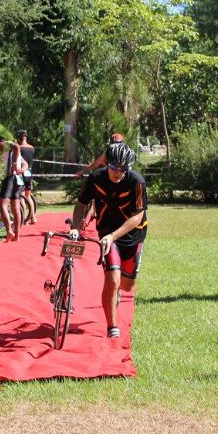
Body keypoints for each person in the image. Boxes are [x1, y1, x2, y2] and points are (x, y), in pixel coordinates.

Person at [70, 143, 148, 338]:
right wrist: (75, 227)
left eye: (123, 168)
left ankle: (118, 292)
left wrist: (115, 235)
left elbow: (137, 216)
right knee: (112, 279)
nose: (118, 172)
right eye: (114, 167)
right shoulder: (96, 179)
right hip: (106, 234)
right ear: (107, 165)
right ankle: (112, 326)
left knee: (127, 285)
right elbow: (81, 204)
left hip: (133, 235)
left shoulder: (137, 182)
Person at [0, 135, 26, 241]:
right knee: (15, 208)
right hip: (19, 179)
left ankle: (9, 231)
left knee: (2, 205)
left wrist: (15, 164)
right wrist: (21, 170)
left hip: (11, 177)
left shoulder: (6, 144)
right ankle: (17, 236)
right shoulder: (10, 153)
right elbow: (26, 164)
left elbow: (16, 146)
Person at [16, 129, 38, 224]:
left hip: (21, 174)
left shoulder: (19, 148)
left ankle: (24, 219)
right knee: (28, 196)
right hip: (29, 173)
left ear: (19, 137)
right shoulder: (32, 148)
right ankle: (33, 217)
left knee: (21, 197)